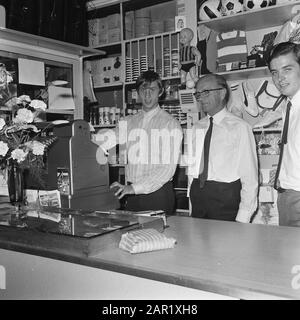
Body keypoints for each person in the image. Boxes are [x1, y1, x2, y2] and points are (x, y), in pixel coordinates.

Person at [94, 70, 183, 215]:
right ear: (138, 92)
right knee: (132, 236)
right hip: (132, 196)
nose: (147, 95)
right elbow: (105, 141)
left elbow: (166, 169)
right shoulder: (128, 121)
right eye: (143, 89)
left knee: (158, 237)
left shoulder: (170, 124)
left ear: (160, 92)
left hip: (158, 195)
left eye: (152, 89)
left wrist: (132, 188)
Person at [187, 74, 258, 223]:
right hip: (198, 197)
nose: (200, 98)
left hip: (225, 199)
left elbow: (250, 177)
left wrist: (243, 218)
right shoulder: (196, 127)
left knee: (226, 245)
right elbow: (192, 170)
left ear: (222, 92)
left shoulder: (240, 127)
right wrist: (191, 205)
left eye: (206, 92)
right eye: (198, 94)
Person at [267, 41, 300, 227]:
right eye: (274, 72)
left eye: (287, 69)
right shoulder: (288, 107)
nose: (280, 78)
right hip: (286, 195)